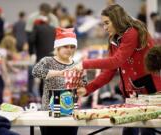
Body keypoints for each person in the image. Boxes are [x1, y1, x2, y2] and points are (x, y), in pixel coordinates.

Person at [73, 4, 161, 135]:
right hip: (131, 93)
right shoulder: (114, 39)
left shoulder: (132, 32)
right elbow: (109, 71)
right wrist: (87, 89)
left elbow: (116, 61)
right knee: (129, 129)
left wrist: (84, 64)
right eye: (103, 23)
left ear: (117, 19)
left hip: (149, 89)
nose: (104, 27)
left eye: (107, 23)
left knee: (147, 129)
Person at [32, 27, 84, 135]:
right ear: (58, 47)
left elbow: (84, 86)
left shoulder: (76, 64)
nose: (69, 49)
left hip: (70, 114)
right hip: (49, 113)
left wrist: (81, 81)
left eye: (72, 47)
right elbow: (35, 71)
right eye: (65, 46)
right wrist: (60, 73)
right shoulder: (48, 61)